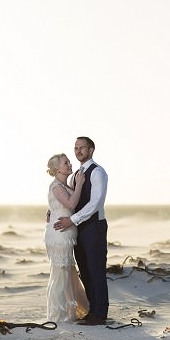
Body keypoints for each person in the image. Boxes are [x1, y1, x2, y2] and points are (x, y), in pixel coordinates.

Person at [53, 136, 109, 326]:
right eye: (75, 148)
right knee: (85, 270)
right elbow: (70, 201)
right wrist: (53, 211)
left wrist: (72, 220)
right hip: (78, 229)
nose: (78, 151)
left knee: (96, 270)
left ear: (91, 150)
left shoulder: (97, 172)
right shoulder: (76, 174)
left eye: (82, 148)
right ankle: (93, 310)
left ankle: (100, 314)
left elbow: (95, 203)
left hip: (94, 227)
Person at [44, 153, 89, 323]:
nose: (70, 164)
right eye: (66, 162)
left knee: (69, 272)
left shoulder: (64, 185)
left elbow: (61, 206)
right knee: (61, 273)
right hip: (59, 235)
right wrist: (80, 186)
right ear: (57, 168)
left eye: (69, 162)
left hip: (66, 234)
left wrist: (51, 211)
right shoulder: (56, 186)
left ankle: (74, 310)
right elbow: (70, 204)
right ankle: (59, 315)